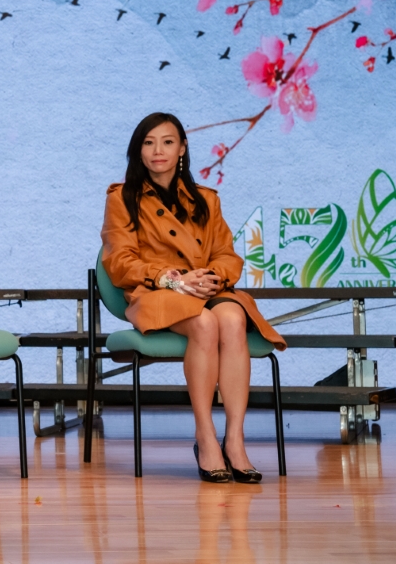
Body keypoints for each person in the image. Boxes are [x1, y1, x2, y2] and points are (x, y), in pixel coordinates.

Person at [100, 111, 287, 483]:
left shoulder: (206, 199)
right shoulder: (121, 198)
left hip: (205, 288)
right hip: (156, 292)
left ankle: (235, 440)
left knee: (232, 318)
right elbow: (119, 261)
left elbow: (227, 255)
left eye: (168, 142)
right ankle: (205, 436)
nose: (158, 151)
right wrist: (171, 278)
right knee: (204, 323)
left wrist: (209, 278)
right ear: (138, 150)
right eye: (149, 143)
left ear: (182, 148)